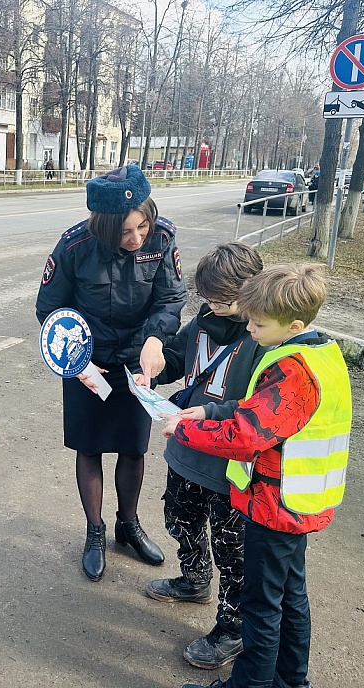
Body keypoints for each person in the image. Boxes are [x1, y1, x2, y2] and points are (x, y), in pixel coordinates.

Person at [162, 263, 352, 688]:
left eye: (258, 323)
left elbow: (247, 435)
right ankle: (290, 681)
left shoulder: (292, 370)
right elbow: (256, 415)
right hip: (299, 502)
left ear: (294, 324)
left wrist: (186, 429)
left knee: (260, 607)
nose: (249, 328)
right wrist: (207, 411)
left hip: (274, 505)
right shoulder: (320, 354)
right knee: (290, 599)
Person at [35, 164, 187, 582]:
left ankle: (128, 525)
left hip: (137, 363)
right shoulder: (75, 246)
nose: (136, 238)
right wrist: (77, 363)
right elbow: (49, 309)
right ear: (103, 227)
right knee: (90, 447)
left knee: (133, 448)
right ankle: (95, 531)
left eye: (142, 226)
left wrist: (155, 339)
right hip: (87, 361)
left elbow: (171, 297)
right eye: (124, 232)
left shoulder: (162, 237)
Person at [145, 242, 264, 671]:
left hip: (228, 465)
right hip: (186, 449)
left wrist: (211, 414)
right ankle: (194, 580)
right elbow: (181, 358)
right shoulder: (204, 320)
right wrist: (155, 366)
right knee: (180, 518)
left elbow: (260, 409)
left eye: (223, 300)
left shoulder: (263, 338)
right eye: (208, 299)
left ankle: (232, 629)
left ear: (252, 292)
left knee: (232, 550)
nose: (213, 307)